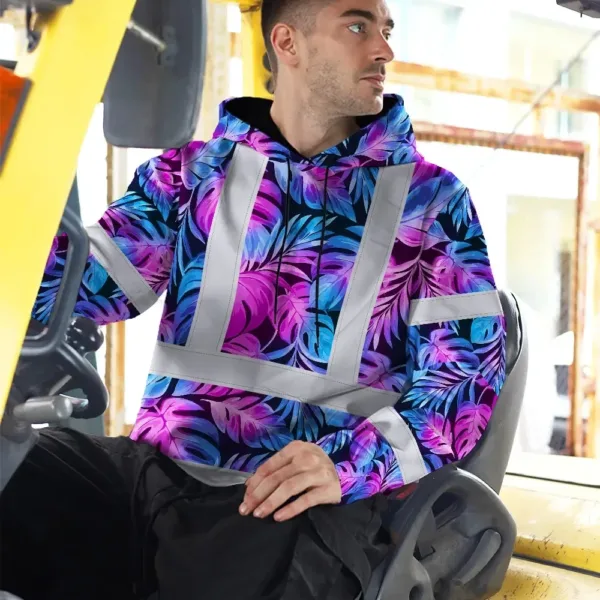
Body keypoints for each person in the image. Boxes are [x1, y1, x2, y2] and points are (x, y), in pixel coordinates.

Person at [0, 0, 507, 598]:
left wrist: (345, 465)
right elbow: (63, 287)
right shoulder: (191, 176)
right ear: (287, 43)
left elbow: (463, 386)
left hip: (296, 502)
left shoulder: (432, 202)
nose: (384, 50)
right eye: (357, 26)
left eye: (386, 29)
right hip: (156, 477)